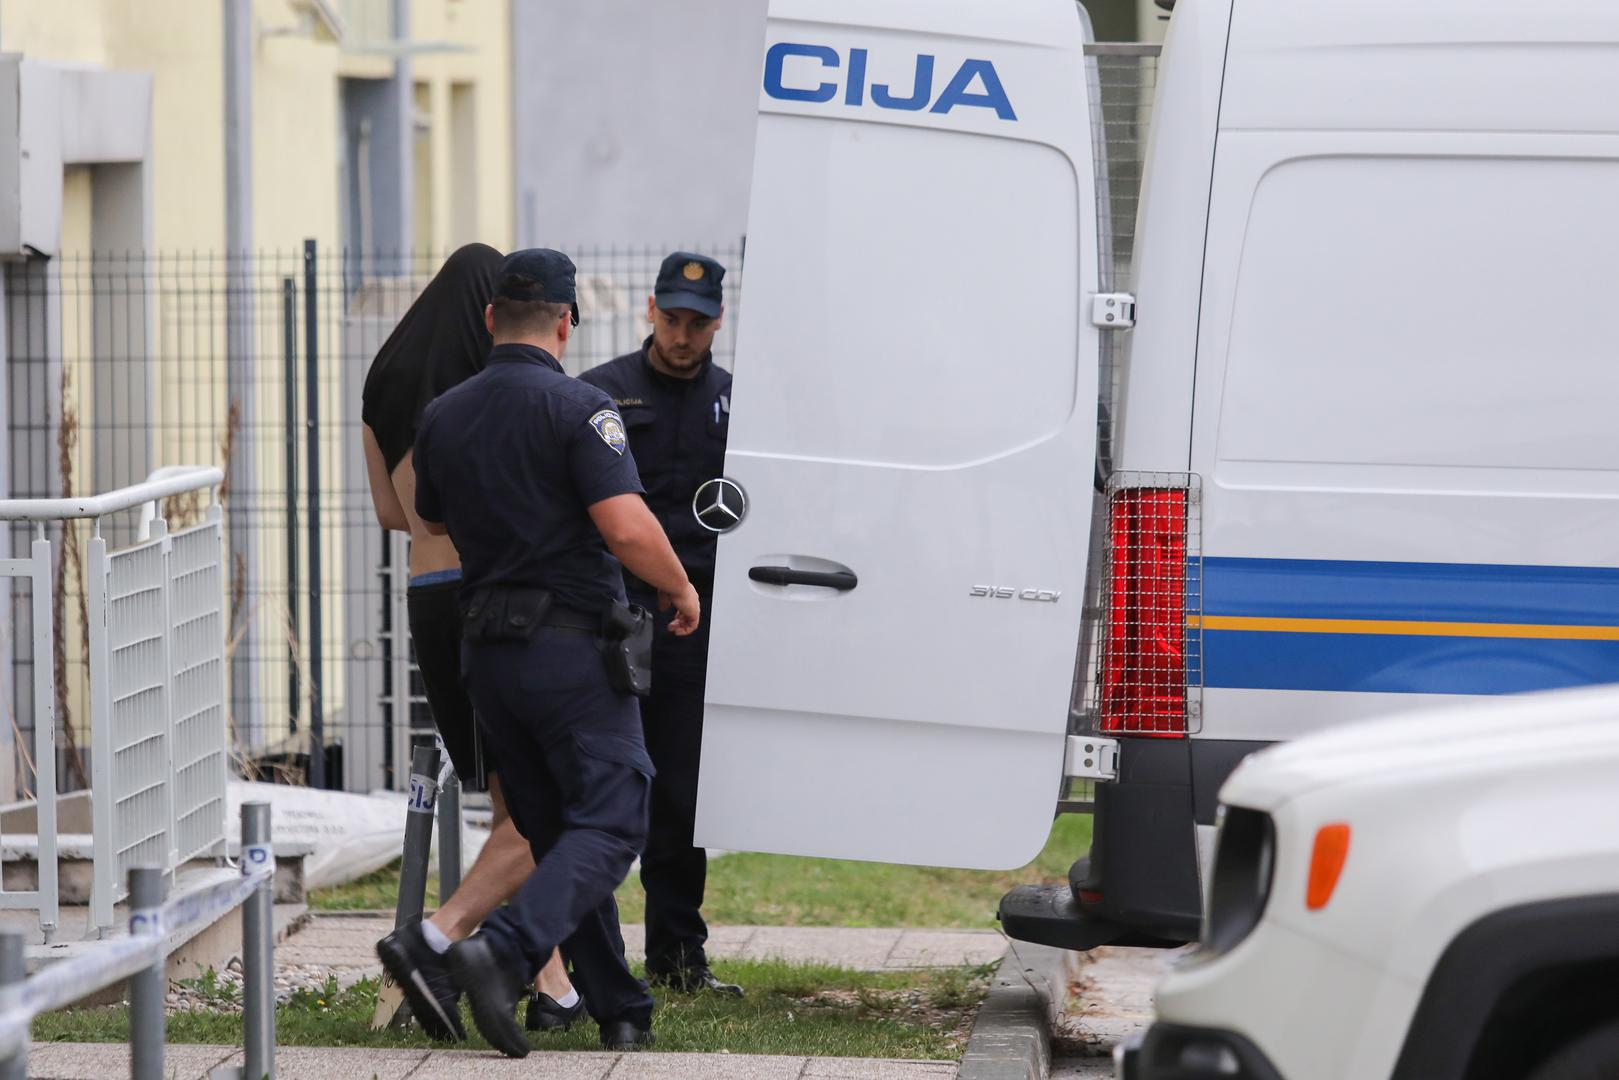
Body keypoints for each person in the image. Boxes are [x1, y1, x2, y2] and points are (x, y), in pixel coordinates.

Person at [384, 248, 702, 1058]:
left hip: (485, 652)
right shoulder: (581, 406)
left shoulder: (444, 415)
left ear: (492, 321)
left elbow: (434, 516)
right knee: (615, 813)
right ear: (566, 321)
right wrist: (679, 589)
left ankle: (619, 1006)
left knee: (561, 827)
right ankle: (507, 949)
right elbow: (626, 526)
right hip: (568, 648)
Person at [360, 245, 580, 1037]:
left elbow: (393, 513)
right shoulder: (481, 392)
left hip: (425, 593)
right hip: (493, 597)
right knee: (538, 800)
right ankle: (436, 943)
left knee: (507, 801)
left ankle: (547, 982)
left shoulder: (384, 380)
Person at [579, 251, 739, 996]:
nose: (682, 335)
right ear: (650, 310)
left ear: (717, 323)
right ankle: (587, 958)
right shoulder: (601, 395)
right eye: (672, 319)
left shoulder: (736, 405)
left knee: (682, 794)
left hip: (690, 623)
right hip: (611, 615)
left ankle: (678, 957)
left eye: (697, 324)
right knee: (599, 787)